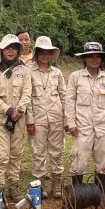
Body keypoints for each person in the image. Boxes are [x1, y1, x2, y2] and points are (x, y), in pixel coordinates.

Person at [64, 41, 105, 197]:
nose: (94, 59)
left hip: (102, 127)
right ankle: (77, 197)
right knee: (78, 161)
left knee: (104, 162)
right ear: (84, 58)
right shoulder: (76, 77)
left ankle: (100, 196)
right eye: (90, 56)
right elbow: (70, 101)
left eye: (97, 56)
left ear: (101, 58)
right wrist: (71, 123)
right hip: (82, 127)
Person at [0, 34, 33, 200]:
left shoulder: (24, 70)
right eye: (7, 48)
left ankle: (14, 186)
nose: (10, 51)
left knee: (16, 153)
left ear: (18, 50)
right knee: (1, 155)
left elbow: (27, 93)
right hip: (1, 120)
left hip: (19, 120)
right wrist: (8, 110)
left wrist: (19, 111)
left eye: (14, 48)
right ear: (1, 50)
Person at [26, 35, 66, 198]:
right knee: (38, 151)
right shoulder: (29, 72)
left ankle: (57, 182)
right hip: (37, 117)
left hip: (56, 116)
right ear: (36, 53)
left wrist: (67, 118)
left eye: (48, 52)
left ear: (51, 54)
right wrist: (30, 120)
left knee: (57, 150)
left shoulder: (57, 72)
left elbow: (64, 95)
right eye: (41, 52)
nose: (44, 55)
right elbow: (26, 98)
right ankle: (39, 183)